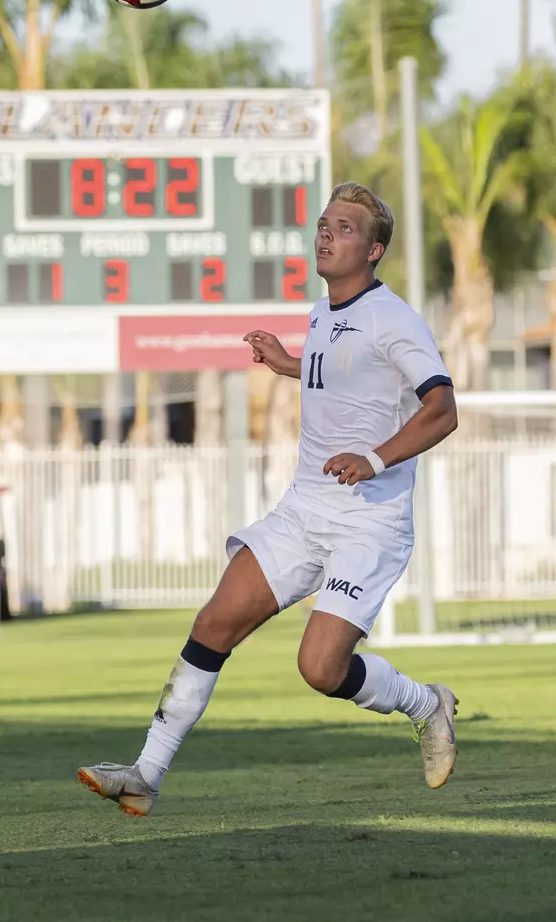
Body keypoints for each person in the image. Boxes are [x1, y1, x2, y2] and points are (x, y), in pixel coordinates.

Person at [78, 182, 459, 817]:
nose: (326, 234)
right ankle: (144, 774)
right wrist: (288, 363)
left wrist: (372, 459)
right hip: (304, 509)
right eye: (324, 224)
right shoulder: (323, 311)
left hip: (368, 521)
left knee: (321, 669)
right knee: (214, 622)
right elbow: (346, 368)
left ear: (375, 250)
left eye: (345, 227)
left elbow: (442, 409)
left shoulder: (395, 319)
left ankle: (427, 704)